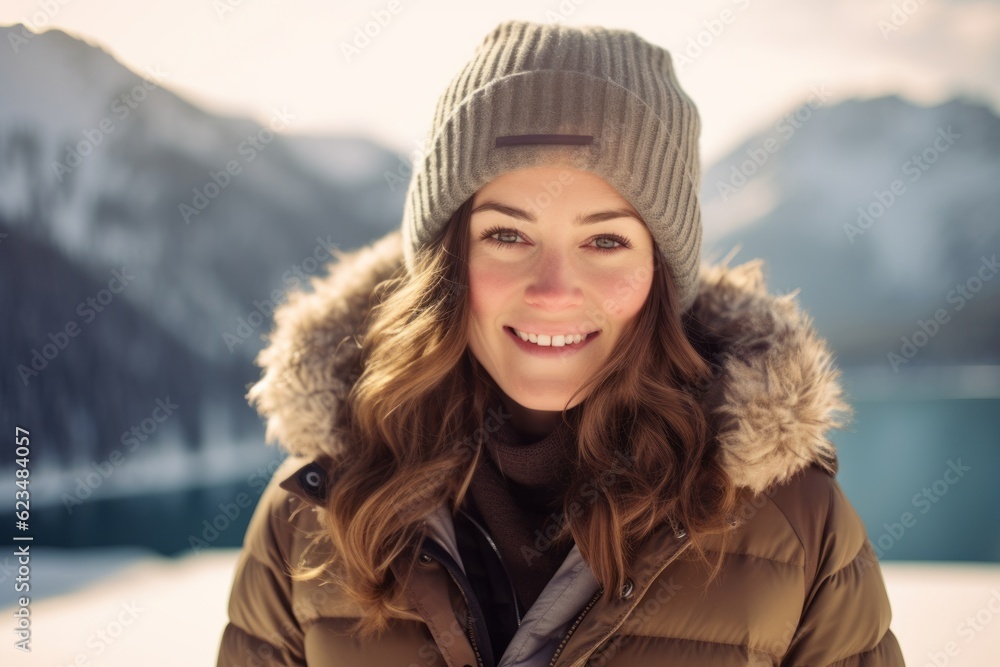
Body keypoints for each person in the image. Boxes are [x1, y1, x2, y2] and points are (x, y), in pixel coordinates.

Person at [216, 19, 905, 667]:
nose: (552, 289)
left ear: (661, 275)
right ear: (447, 262)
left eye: (605, 240)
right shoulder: (310, 516)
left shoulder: (795, 524)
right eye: (507, 234)